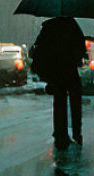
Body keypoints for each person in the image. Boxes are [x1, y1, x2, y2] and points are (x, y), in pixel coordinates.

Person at [31, 16, 87, 150]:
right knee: (75, 100)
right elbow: (81, 46)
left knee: (59, 101)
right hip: (69, 69)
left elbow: (39, 48)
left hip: (56, 71)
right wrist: (75, 58)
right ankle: (76, 133)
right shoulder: (73, 25)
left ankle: (60, 133)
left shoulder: (48, 27)